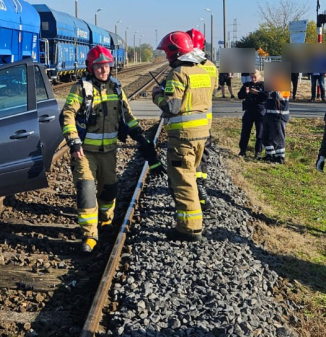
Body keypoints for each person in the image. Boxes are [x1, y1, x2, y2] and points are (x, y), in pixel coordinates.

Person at [61, 45, 163, 253]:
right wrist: (74, 141)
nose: (104, 70)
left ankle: (106, 222)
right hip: (85, 152)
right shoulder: (81, 88)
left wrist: (140, 137)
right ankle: (89, 235)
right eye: (99, 67)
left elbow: (128, 116)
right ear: (91, 68)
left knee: (109, 190)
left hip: (109, 152)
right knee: (87, 190)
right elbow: (68, 114)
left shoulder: (116, 88)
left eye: (106, 66)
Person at [152, 31, 212, 242]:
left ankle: (189, 228)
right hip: (201, 136)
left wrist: (156, 95)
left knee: (184, 182)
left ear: (174, 53)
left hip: (183, 138)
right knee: (191, 178)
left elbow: (172, 106)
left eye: (168, 54)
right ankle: (190, 224)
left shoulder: (177, 74)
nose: (167, 58)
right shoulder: (202, 72)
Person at [187, 28, 219, 211]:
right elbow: (212, 92)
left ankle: (194, 191)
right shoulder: (211, 67)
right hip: (205, 122)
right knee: (202, 156)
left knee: (188, 159)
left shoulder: (184, 68)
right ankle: (202, 189)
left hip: (188, 122)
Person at [237, 71, 267, 159]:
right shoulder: (247, 85)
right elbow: (239, 96)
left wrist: (258, 93)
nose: (253, 79)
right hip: (249, 110)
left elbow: (267, 96)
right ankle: (242, 151)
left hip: (260, 111)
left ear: (259, 76)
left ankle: (258, 152)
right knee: (245, 132)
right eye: (252, 77)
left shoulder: (264, 85)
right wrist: (245, 92)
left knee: (260, 133)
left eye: (255, 77)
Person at [262, 90, 290, 163]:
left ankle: (280, 158)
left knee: (278, 137)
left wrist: (267, 92)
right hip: (268, 114)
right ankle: (270, 155)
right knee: (266, 136)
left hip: (278, 115)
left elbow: (276, 95)